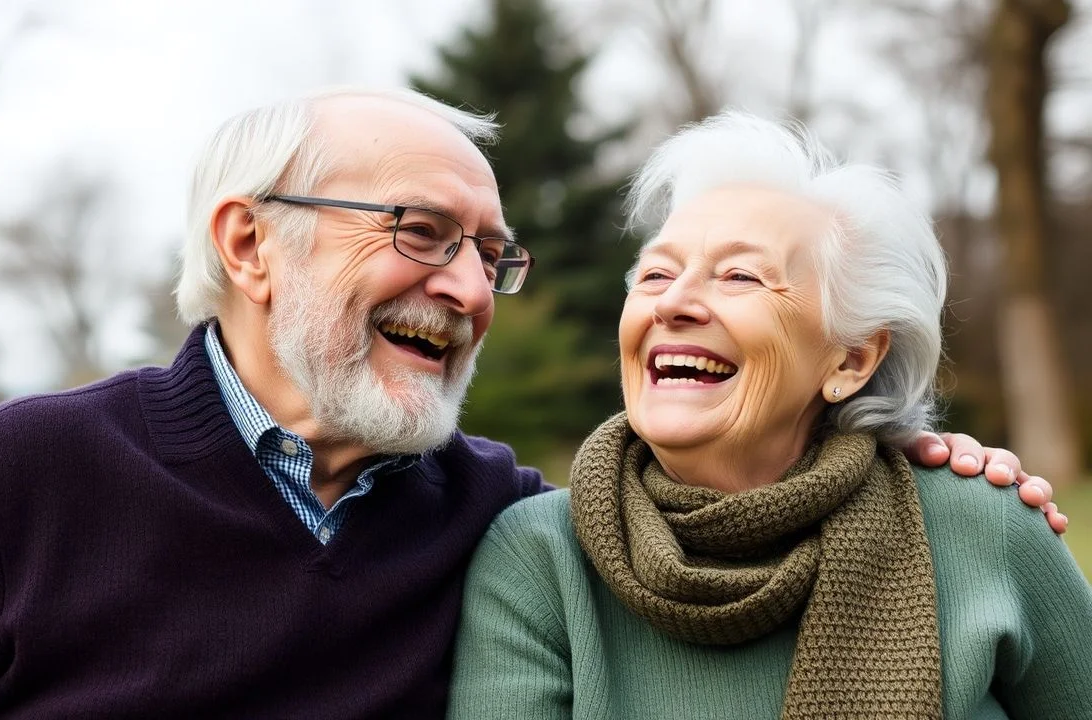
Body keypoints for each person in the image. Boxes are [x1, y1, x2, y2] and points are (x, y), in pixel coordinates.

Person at [0, 90, 1060, 719]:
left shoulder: (501, 518)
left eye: (490, 253)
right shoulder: (17, 476)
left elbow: (726, 491)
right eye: (419, 231)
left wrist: (913, 456)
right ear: (248, 243)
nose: (467, 288)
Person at [447, 112, 1092, 719]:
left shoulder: (980, 524)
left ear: (852, 359)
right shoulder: (537, 557)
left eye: (739, 277)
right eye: (654, 275)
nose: (674, 303)